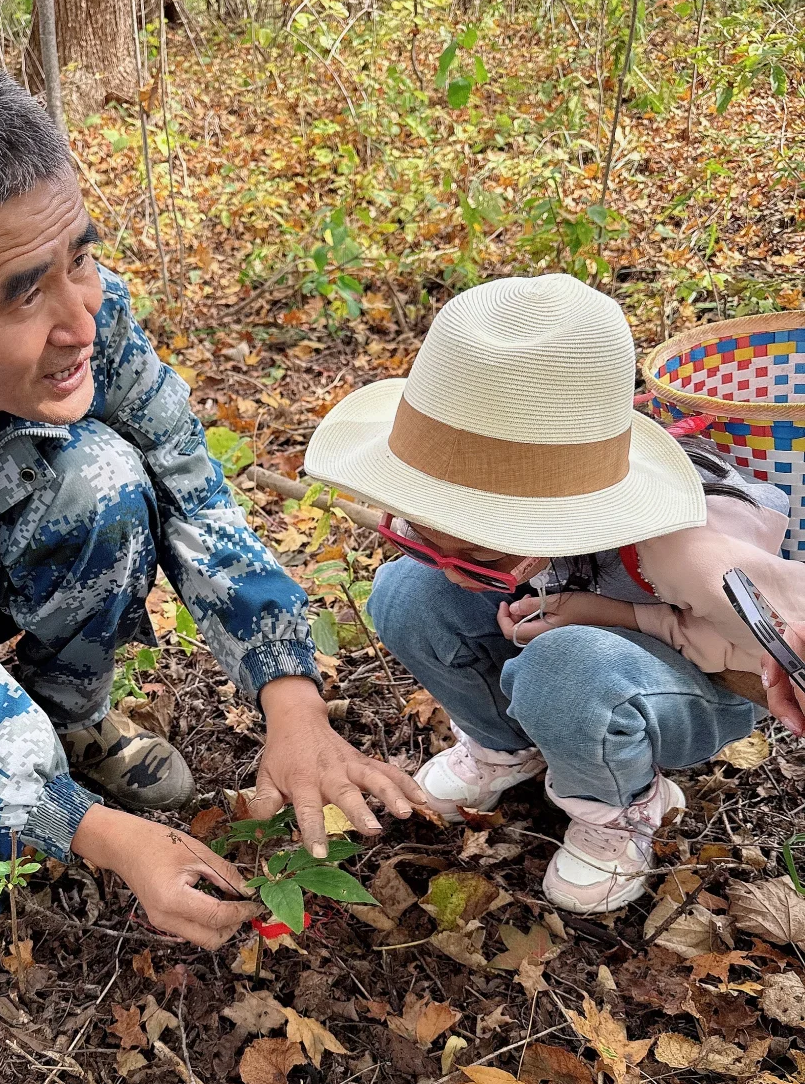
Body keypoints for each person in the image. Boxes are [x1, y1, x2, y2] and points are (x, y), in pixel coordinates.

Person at [0, 50, 422, 958]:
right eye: (26, 295)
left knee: (104, 477)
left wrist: (291, 700)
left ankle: (66, 719)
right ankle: (27, 769)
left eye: (80, 257)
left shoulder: (86, 307)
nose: (82, 319)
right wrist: (88, 829)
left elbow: (188, 481)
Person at [305, 274, 805, 916]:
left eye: (483, 556)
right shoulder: (467, 485)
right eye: (428, 534)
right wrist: (455, 559)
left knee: (562, 670)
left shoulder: (688, 547)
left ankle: (624, 808)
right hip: (582, 640)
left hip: (694, 680)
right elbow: (443, 552)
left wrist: (608, 616)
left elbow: (747, 645)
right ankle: (506, 745)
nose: (457, 569)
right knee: (407, 592)